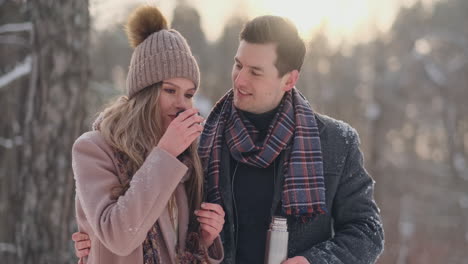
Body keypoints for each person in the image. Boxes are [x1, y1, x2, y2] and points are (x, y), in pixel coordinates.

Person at [75, 15, 384, 264]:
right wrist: (96, 240)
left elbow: (367, 232)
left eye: (255, 72)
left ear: (289, 79)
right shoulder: (203, 139)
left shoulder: (335, 143)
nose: (239, 80)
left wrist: (312, 262)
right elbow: (170, 228)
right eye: (238, 65)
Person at [71, 6, 224, 264]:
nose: (181, 104)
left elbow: (178, 248)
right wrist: (164, 154)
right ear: (145, 93)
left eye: (188, 94)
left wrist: (206, 240)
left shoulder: (187, 158)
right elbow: (119, 237)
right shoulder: (93, 149)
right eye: (169, 90)